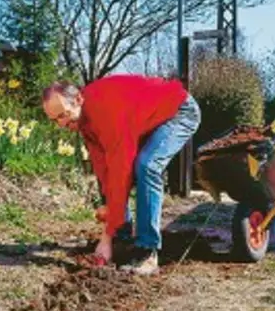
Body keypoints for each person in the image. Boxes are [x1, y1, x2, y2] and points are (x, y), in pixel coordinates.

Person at [42, 74, 201, 275]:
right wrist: (111, 216)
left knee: (147, 166)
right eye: (55, 119)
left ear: (78, 100)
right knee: (109, 179)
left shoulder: (105, 111)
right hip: (147, 119)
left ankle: (147, 251)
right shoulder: (84, 121)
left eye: (63, 115)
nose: (61, 124)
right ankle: (122, 240)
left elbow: (120, 169)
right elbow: (104, 169)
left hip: (179, 111)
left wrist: (106, 235)